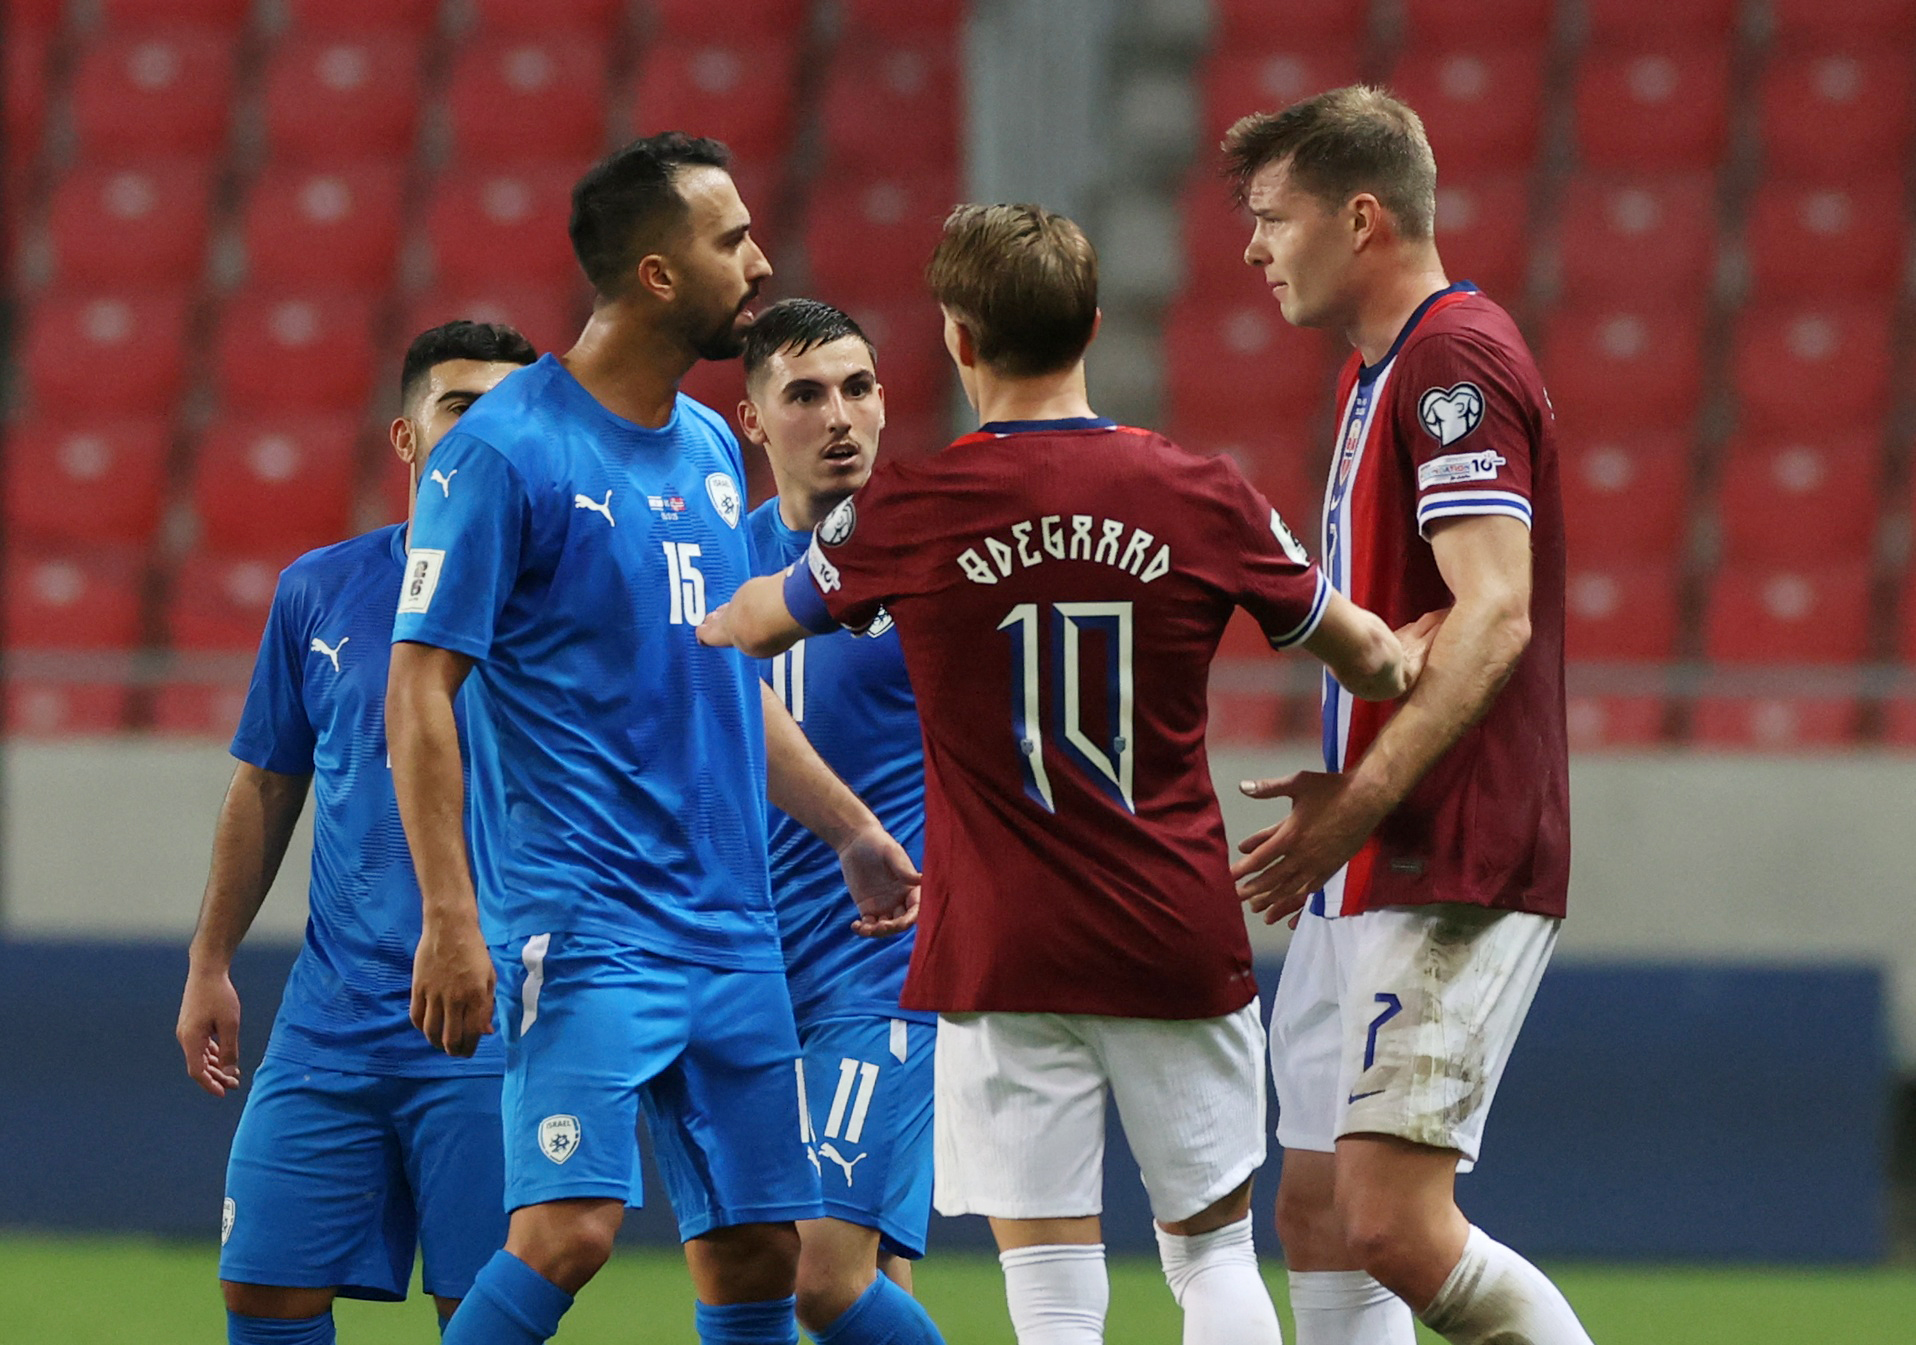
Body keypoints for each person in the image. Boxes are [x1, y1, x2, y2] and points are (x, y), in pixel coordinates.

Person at [699, 203, 1440, 1345]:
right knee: (1207, 1258)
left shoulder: (911, 508)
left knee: (1048, 1290)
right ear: (1092, 325)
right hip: (1169, 923)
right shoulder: (1202, 490)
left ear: (956, 341)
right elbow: (1372, 658)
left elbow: (749, 623)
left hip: (997, 940)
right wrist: (1421, 640)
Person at [386, 133, 920, 1345]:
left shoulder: (703, 450)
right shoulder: (503, 452)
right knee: (566, 1232)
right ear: (657, 274)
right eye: (730, 239)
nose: (759, 259)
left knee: (758, 1257)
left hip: (732, 933)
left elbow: (728, 682)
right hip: (586, 925)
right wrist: (451, 913)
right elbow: (419, 687)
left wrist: (850, 831)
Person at [1220, 87, 1590, 1345]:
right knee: (1319, 1211)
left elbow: (1494, 612)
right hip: (1368, 856)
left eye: (1272, 218)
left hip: (1445, 847)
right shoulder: (1373, 371)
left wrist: (1364, 801)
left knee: (1390, 1219)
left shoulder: (1451, 361)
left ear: (1360, 217)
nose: (1252, 248)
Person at [176, 320, 537, 1345]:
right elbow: (265, 788)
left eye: (515, 411)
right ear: (407, 435)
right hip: (329, 1021)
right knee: (262, 1291)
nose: (491, 430)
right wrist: (209, 960)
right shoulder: (320, 588)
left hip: (492, 1020)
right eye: (464, 406)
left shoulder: (558, 597)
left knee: (488, 1315)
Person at [736, 298, 946, 1345]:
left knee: (816, 1276)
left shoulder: (934, 563)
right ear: (751, 420)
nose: (840, 417)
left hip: (879, 972)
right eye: (806, 394)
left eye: (858, 388)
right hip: (741, 979)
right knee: (863, 1285)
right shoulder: (718, 566)